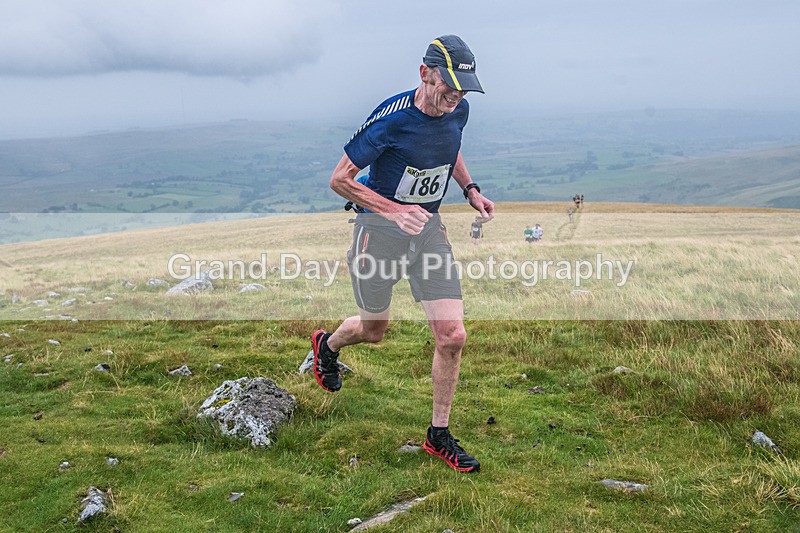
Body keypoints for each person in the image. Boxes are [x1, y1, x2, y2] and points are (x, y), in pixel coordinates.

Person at [310, 35, 494, 474]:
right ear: (424, 73)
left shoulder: (459, 108)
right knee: (374, 330)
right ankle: (328, 345)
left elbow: (449, 148)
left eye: (462, 89)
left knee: (453, 336)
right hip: (379, 231)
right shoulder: (391, 120)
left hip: (427, 233)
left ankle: (439, 435)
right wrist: (395, 211)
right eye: (447, 86)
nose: (455, 97)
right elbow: (339, 179)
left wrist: (469, 188)